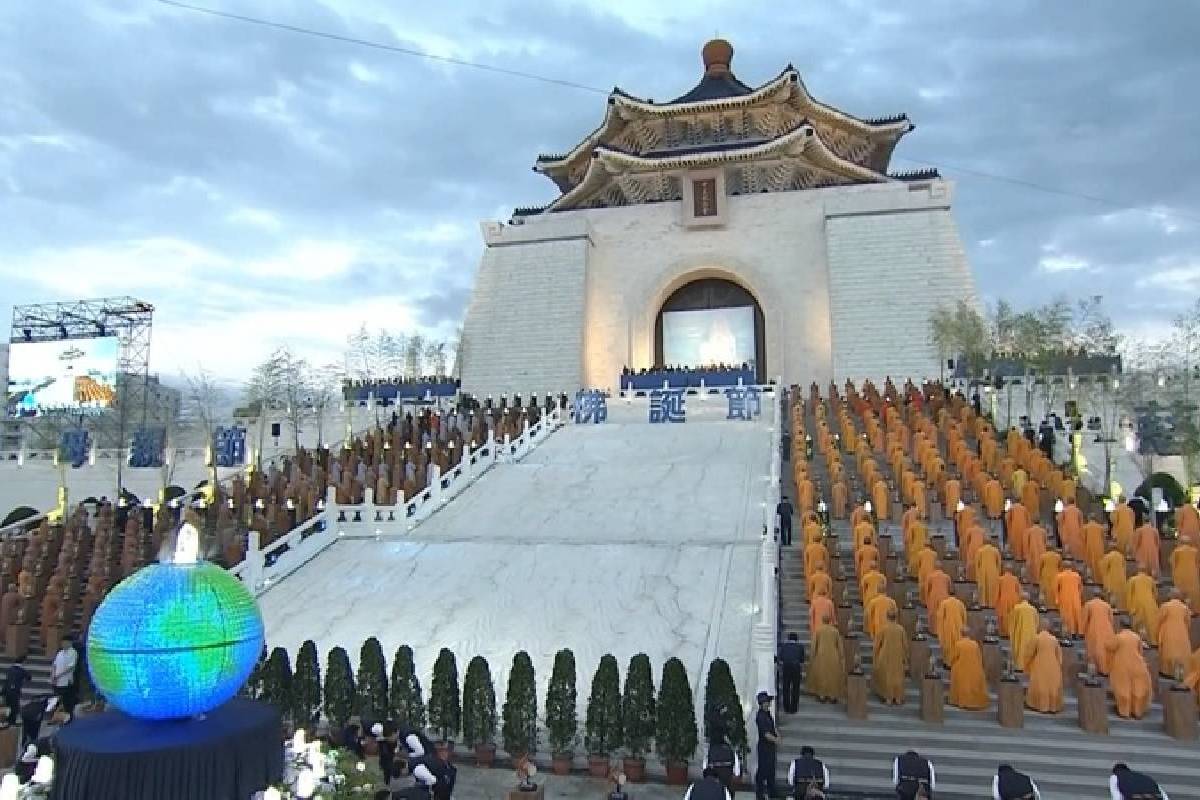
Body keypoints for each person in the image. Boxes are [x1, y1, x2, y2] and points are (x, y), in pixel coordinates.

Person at [1107, 622, 1152, 719]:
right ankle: (1137, 712)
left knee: (1122, 688)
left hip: (1122, 665)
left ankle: (1124, 712)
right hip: (1137, 664)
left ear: (1121, 626)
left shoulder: (1119, 637)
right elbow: (1140, 651)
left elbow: (1110, 647)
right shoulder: (1137, 637)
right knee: (1138, 688)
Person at [1024, 622, 1063, 714]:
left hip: (1039, 664)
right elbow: (1059, 656)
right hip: (1054, 665)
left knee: (1040, 684)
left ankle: (1040, 705)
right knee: (1052, 685)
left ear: (1039, 627)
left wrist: (1026, 665)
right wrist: (1058, 666)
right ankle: (1053, 707)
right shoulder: (1054, 639)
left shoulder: (1036, 638)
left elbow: (1029, 653)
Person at [805, 617, 846, 703]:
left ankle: (822, 695)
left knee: (822, 676)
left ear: (822, 620)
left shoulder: (819, 630)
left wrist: (812, 657)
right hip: (833, 656)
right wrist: (841, 657)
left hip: (821, 655)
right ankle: (832, 696)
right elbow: (839, 645)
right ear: (830, 620)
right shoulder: (835, 631)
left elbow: (814, 645)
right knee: (832, 676)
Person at [948, 629, 989, 710]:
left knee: (962, 684)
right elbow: (979, 657)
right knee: (972, 685)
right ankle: (974, 703)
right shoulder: (975, 644)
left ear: (961, 634)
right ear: (969, 634)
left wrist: (951, 664)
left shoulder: (958, 644)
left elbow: (953, 657)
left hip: (961, 668)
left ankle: (961, 702)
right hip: (974, 667)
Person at [873, 609, 907, 705]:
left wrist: (875, 656)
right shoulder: (901, 629)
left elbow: (877, 645)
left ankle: (888, 698)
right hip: (898, 656)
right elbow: (905, 645)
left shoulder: (883, 628)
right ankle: (898, 698)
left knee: (886, 677)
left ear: (887, 617)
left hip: (885, 656)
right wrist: (905, 658)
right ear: (895, 617)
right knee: (897, 677)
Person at [1155, 590, 1192, 678]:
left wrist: (1157, 633)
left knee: (1169, 651)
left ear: (1170, 596)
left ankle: (1168, 672)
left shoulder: (1165, 606)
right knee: (1182, 653)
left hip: (1168, 633)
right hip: (1182, 633)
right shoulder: (1185, 608)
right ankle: (1181, 673)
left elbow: (1158, 621)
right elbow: (1188, 623)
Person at [754, 691, 779, 800]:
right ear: (763, 703)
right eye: (767, 701)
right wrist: (776, 740)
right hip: (764, 747)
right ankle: (760, 793)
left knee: (770, 771)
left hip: (770, 747)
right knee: (763, 770)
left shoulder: (767, 713)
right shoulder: (760, 716)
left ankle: (771, 791)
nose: (769, 703)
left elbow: (772, 728)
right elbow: (765, 733)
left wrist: (777, 734)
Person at [703, 728, 741, 799]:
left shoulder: (711, 750)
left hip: (714, 783)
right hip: (727, 781)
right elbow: (736, 769)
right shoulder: (730, 749)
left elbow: (705, 768)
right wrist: (736, 775)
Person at [777, 633, 805, 714]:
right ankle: (794, 708)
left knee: (786, 688)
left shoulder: (784, 646)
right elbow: (802, 660)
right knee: (795, 688)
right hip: (796, 668)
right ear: (797, 639)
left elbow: (781, 658)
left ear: (788, 639)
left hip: (786, 667)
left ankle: (786, 707)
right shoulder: (800, 647)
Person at [50, 636, 78, 715]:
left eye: (65, 642)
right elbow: (54, 665)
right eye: (62, 643)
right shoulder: (60, 652)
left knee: (67, 701)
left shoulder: (73, 652)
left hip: (66, 681)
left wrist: (58, 675)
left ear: (70, 643)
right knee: (55, 699)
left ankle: (67, 716)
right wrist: (53, 676)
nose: (63, 644)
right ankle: (55, 716)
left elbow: (70, 667)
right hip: (56, 681)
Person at [3, 655, 31, 725]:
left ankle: (7, 720)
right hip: (15, 691)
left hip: (7, 690)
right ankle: (12, 722)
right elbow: (29, 677)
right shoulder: (22, 670)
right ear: (23, 662)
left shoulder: (10, 669)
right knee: (14, 707)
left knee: (9, 706)